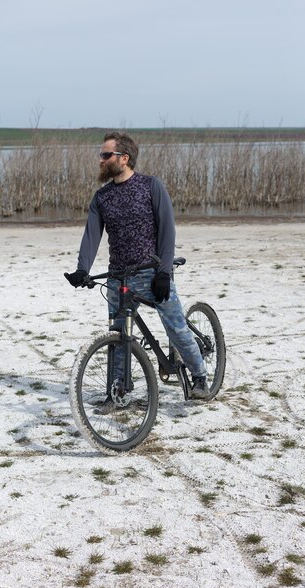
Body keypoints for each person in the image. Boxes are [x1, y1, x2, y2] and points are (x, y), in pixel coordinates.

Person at [65, 131, 209, 400]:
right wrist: (82, 269)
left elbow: (167, 231)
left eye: (106, 155)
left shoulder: (151, 186)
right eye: (101, 155)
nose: (101, 160)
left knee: (176, 327)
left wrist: (164, 272)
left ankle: (200, 375)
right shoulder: (102, 197)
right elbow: (92, 235)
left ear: (124, 158)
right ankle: (118, 391)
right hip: (118, 276)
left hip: (152, 273)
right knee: (118, 336)